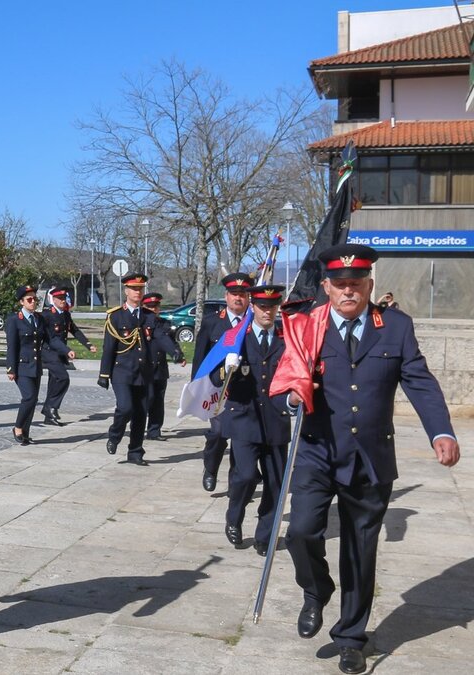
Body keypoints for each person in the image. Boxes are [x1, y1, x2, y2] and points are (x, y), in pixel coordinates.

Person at [274, 244, 459, 675]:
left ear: (369, 286)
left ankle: (352, 637)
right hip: (317, 451)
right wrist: (290, 400)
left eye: (356, 284)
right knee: (301, 531)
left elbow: (419, 380)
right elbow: (288, 376)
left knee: (360, 550)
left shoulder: (395, 327)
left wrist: (442, 430)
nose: (348, 292)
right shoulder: (306, 328)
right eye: (340, 285)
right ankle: (316, 588)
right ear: (327, 288)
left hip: (370, 457)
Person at [209, 284, 288, 556]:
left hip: (276, 419)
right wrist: (225, 371)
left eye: (272, 306)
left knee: (276, 483)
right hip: (244, 416)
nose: (268, 311)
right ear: (252, 307)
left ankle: (265, 535)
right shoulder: (235, 337)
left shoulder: (285, 337)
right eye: (262, 306)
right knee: (244, 476)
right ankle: (234, 515)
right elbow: (214, 376)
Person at [98, 273, 181, 465]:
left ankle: (135, 452)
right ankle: (115, 433)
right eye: (134, 289)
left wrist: (174, 351)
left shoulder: (149, 316)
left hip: (144, 373)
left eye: (140, 289)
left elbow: (161, 336)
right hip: (122, 371)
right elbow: (108, 348)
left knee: (140, 414)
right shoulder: (116, 316)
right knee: (125, 407)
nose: (137, 292)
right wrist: (104, 374)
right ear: (126, 291)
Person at [193, 272, 252, 492]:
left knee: (241, 439)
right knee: (218, 435)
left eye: (243, 294)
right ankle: (210, 468)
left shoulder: (253, 322)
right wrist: (196, 389)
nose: (239, 298)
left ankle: (236, 481)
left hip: (246, 390)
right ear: (226, 296)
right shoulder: (211, 323)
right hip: (218, 391)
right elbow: (200, 358)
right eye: (234, 294)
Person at [5, 285, 71, 445]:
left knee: (33, 400)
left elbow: (51, 339)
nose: (33, 301)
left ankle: (25, 434)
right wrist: (11, 368)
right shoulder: (14, 320)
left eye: (35, 299)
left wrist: (66, 350)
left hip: (36, 366)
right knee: (29, 397)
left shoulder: (39, 319)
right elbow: (12, 346)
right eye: (29, 299)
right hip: (21, 367)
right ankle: (18, 427)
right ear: (21, 302)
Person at [41, 286, 97, 426]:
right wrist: (67, 350)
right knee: (63, 378)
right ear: (53, 299)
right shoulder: (47, 315)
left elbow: (75, 330)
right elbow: (52, 338)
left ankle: (48, 414)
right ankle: (52, 407)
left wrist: (88, 344)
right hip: (49, 352)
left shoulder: (65, 314)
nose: (62, 301)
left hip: (59, 353)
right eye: (59, 299)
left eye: (64, 298)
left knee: (54, 382)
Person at [142, 292, 185, 440]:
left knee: (158, 401)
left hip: (160, 367)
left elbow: (172, 343)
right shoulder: (140, 323)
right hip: (145, 367)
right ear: (143, 307)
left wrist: (178, 355)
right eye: (149, 307)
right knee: (147, 398)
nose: (153, 309)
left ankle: (154, 430)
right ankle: (138, 428)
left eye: (156, 306)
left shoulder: (165, 324)